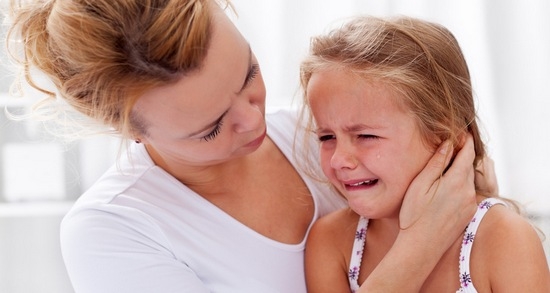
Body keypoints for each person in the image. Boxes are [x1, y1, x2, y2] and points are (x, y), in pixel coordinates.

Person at [6, 1, 495, 292]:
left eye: (249, 74)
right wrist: (425, 240)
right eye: (211, 127)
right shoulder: (114, 233)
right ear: (131, 130)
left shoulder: (322, 138)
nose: (252, 117)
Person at [300, 15, 550, 293]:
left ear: (444, 139)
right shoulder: (332, 242)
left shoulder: (503, 239)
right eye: (326, 137)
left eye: (366, 136)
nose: (338, 160)